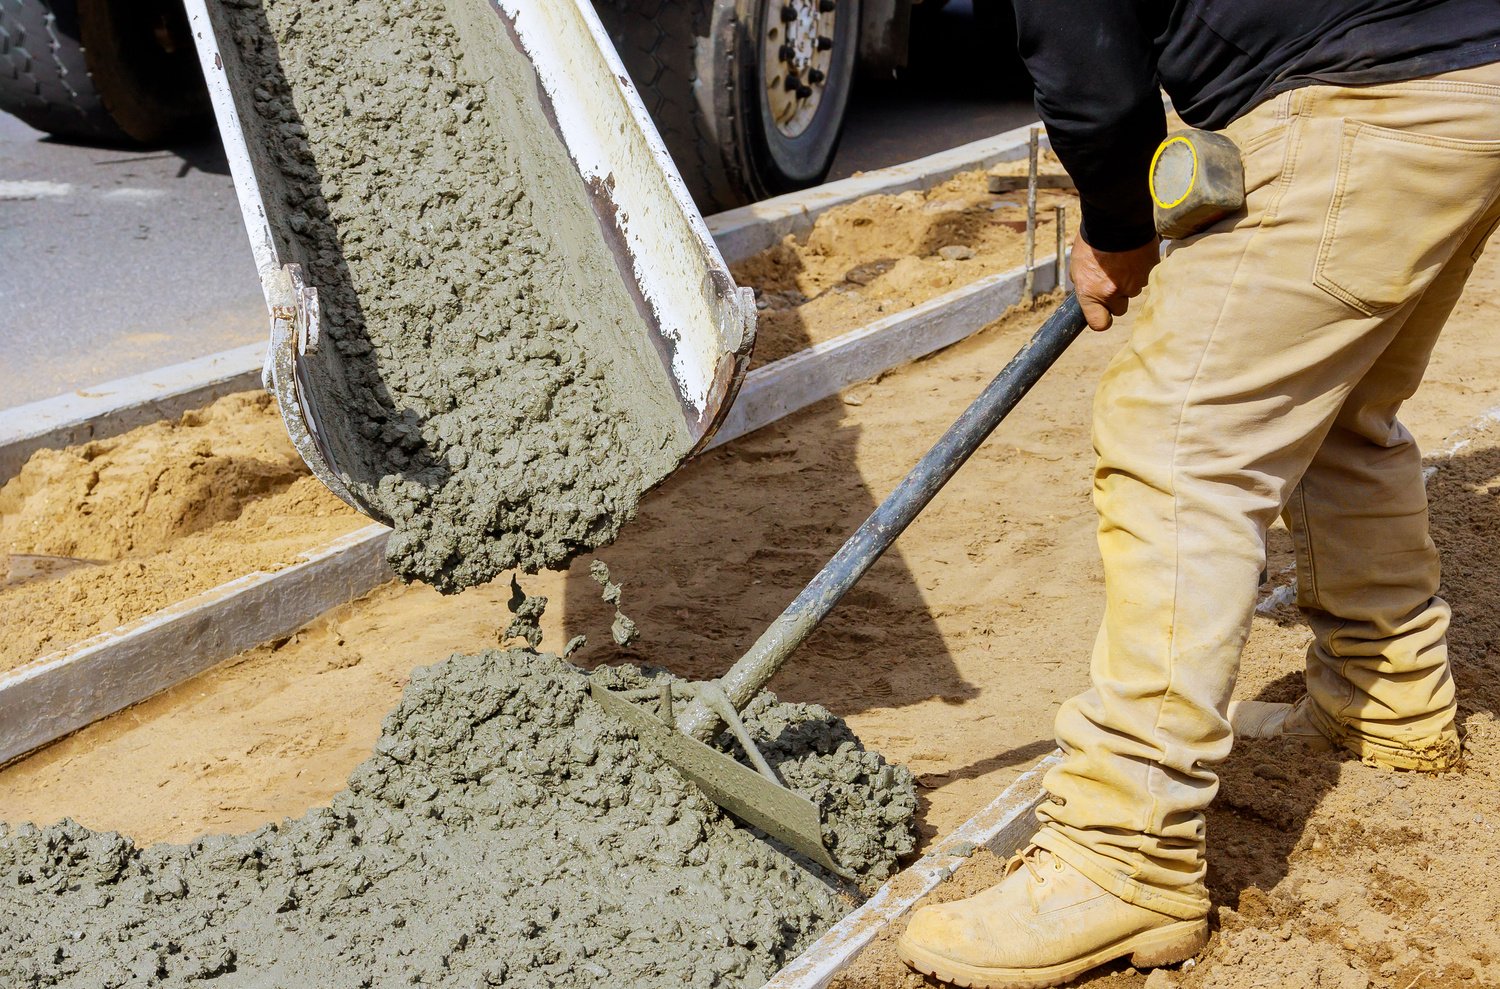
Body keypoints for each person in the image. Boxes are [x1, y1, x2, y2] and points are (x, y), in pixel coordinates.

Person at [897, 3, 1500, 987]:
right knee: (1342, 407)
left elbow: (1087, 52)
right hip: (1471, 72)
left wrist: (1116, 223)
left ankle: (1119, 854)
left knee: (1177, 443)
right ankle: (1385, 704)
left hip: (1362, 92)